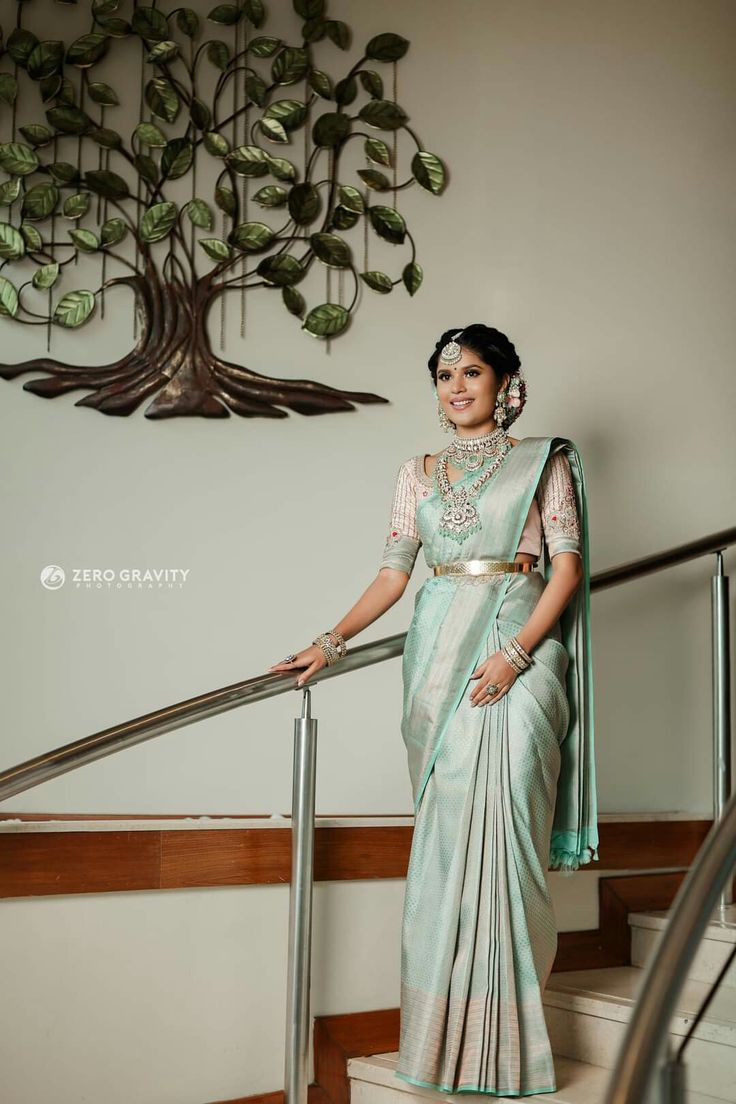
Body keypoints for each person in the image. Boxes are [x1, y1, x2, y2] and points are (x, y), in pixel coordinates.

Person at [267, 323, 599, 1096]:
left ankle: (511, 1044)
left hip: (514, 646)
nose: (457, 386)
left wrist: (517, 653)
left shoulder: (543, 462)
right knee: (449, 834)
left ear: (507, 384)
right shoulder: (415, 474)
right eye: (445, 374)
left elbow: (567, 569)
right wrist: (332, 640)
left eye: (473, 373)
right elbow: (393, 575)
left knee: (509, 825)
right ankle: (446, 1044)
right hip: (438, 659)